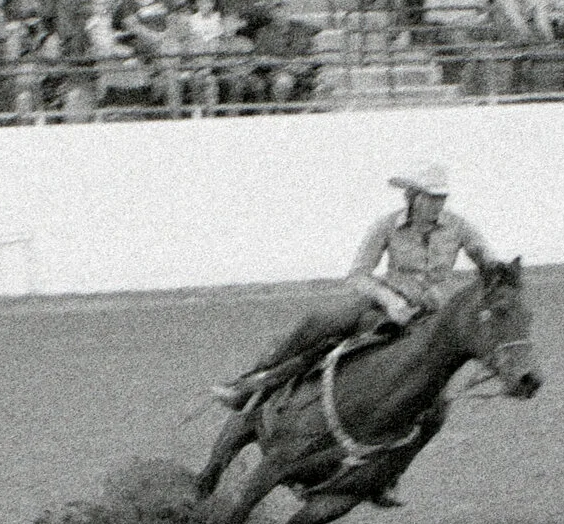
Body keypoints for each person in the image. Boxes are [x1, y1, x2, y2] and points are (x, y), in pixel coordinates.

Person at [209, 164, 495, 411]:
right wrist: (390, 300)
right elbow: (358, 275)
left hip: (434, 315)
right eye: (431, 197)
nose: (438, 204)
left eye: (441, 198)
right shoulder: (386, 226)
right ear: (412, 196)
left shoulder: (459, 227)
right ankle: (251, 384)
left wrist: (495, 270)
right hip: (386, 305)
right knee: (319, 325)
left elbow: (490, 264)